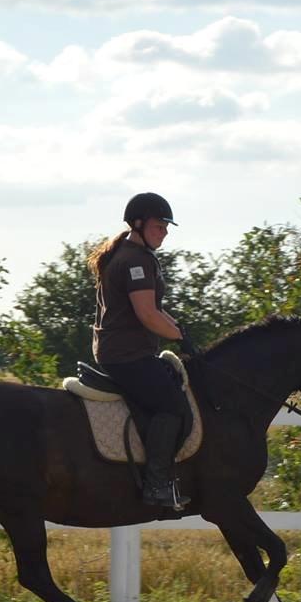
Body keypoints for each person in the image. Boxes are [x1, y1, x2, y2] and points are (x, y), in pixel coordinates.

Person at [88, 192, 192, 510]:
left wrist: (180, 332)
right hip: (126, 355)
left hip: (123, 352)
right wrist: (178, 339)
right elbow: (147, 315)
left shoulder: (132, 254)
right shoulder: (135, 260)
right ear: (138, 224)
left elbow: (156, 311)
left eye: (165, 227)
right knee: (173, 407)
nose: (164, 232)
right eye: (159, 226)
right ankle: (158, 486)